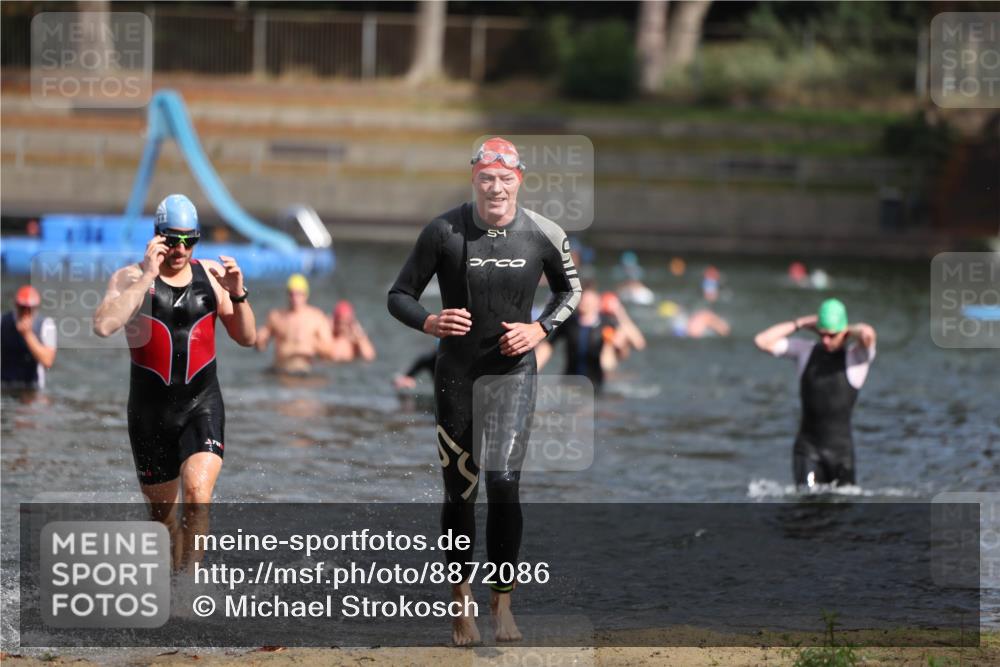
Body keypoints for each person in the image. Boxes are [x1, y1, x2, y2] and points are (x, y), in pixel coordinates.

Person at [388, 137, 580, 645]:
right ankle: (461, 606)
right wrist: (430, 322)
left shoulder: (543, 234)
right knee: (460, 492)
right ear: (474, 178)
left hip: (514, 372)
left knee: (504, 483)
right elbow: (398, 294)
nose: (495, 187)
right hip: (456, 376)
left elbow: (571, 291)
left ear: (519, 180)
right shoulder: (444, 231)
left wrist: (540, 329)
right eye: (486, 179)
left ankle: (503, 606)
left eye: (504, 178)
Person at [93, 194, 256, 569]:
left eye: (189, 240)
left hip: (201, 404)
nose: (181, 249)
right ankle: (171, 587)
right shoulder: (130, 277)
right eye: (172, 239)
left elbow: (247, 338)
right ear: (156, 238)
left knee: (197, 494)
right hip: (150, 413)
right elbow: (103, 325)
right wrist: (149, 276)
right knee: (163, 521)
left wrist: (238, 293)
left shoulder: (212, 277)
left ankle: (189, 588)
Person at [754, 298, 876, 490]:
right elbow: (762, 341)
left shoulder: (857, 357)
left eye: (831, 335)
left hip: (841, 456)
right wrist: (800, 323)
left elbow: (867, 333)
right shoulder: (805, 351)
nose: (826, 340)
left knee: (842, 512)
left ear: (844, 333)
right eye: (822, 334)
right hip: (807, 451)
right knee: (807, 504)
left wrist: (844, 329)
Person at [536, 283, 616, 391]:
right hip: (569, 382)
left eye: (588, 301)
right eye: (582, 300)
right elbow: (547, 346)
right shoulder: (569, 322)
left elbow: (609, 362)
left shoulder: (607, 324)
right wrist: (532, 372)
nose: (584, 303)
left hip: (594, 385)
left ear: (597, 303)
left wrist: (619, 312)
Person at [255, 274, 335, 374]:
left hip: (306, 370)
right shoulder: (276, 317)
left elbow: (330, 352)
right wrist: (258, 340)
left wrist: (311, 344)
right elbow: (261, 346)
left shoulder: (317, 318)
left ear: (306, 295)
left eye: (298, 294)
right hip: (280, 369)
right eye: (291, 294)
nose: (295, 298)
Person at [1, 285, 56, 390]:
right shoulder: (3, 321)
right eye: (22, 308)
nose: (26, 313)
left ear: (36, 308)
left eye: (29, 309)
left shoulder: (46, 325)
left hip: (32, 387)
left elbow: (48, 361)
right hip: (4, 384)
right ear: (16, 305)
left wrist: (27, 334)